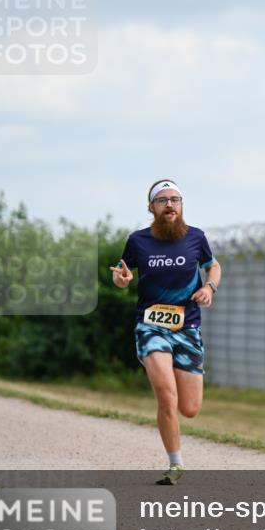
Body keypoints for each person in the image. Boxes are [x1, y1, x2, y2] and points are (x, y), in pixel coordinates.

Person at [110, 179, 222, 485]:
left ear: (182, 205)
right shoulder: (138, 240)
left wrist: (209, 287)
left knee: (190, 409)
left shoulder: (196, 237)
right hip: (151, 326)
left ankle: (176, 450)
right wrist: (122, 280)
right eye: (163, 200)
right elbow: (122, 276)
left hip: (187, 328)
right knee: (165, 393)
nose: (170, 204)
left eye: (175, 199)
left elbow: (214, 266)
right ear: (151, 207)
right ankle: (175, 464)